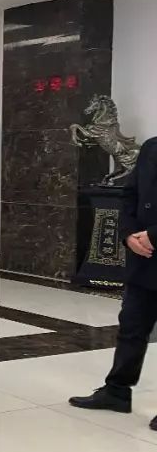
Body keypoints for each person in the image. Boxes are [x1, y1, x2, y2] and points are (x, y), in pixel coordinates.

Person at [69, 137, 157, 426]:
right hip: (143, 258)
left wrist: (153, 235)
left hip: (151, 242)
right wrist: (128, 234)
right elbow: (130, 194)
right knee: (131, 327)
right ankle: (117, 391)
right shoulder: (151, 147)